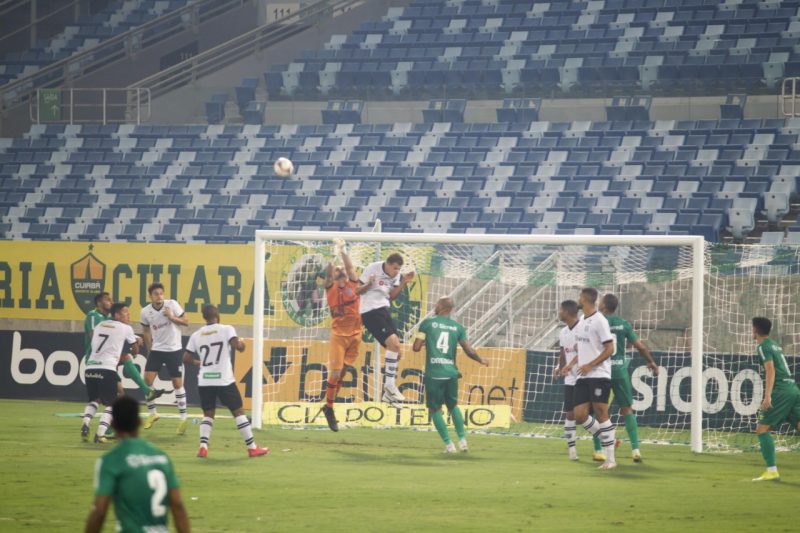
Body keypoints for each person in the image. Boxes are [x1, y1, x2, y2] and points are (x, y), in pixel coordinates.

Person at [85, 396, 190, 533]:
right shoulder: (162, 457)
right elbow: (178, 505)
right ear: (139, 422)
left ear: (113, 424)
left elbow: (99, 512)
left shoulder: (111, 460)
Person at [183, 304, 269, 458]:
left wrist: (198, 362)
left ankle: (203, 447)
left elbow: (186, 358)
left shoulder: (196, 335)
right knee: (238, 412)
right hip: (223, 380)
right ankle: (252, 448)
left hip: (205, 381)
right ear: (218, 315)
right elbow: (237, 346)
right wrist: (242, 345)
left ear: (204, 317)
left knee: (208, 414)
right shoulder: (226, 329)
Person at [81, 292, 162, 442]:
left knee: (103, 398)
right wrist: (134, 344)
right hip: (105, 365)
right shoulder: (95, 316)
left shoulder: (103, 323)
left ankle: (89, 425)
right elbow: (95, 338)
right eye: (107, 299)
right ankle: (101, 433)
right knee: (114, 401)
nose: (110, 301)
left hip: (92, 366)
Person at [413, 297, 488, 453]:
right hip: (451, 373)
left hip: (434, 373)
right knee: (453, 406)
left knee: (435, 410)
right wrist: (480, 359)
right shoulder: (458, 327)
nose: (435, 306)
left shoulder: (427, 324)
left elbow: (416, 347)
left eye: (436, 304)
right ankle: (463, 441)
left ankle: (449, 445)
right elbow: (468, 350)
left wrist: (428, 342)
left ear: (441, 306)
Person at [600, 293, 659, 463]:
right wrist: (651, 362)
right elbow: (640, 346)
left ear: (604, 306)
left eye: (600, 301)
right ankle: (635, 450)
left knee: (599, 410)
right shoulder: (623, 324)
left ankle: (600, 450)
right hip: (620, 372)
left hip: (602, 372)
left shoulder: (597, 322)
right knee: (627, 409)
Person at [564, 287, 617, 470]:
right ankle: (609, 439)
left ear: (585, 300)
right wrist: (572, 363)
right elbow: (582, 347)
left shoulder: (600, 321)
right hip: (583, 375)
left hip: (599, 374)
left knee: (602, 414)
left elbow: (610, 349)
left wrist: (591, 365)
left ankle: (611, 459)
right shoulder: (581, 321)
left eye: (580, 296)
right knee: (579, 415)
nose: (578, 299)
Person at [359, 252, 415, 403]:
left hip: (383, 309)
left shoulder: (396, 276)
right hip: (370, 310)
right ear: (388, 264)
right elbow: (358, 290)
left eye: (399, 269)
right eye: (395, 268)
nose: (397, 271)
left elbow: (392, 296)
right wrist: (369, 283)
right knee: (394, 345)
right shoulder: (372, 268)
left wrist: (403, 282)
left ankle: (388, 393)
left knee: (397, 352)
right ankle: (389, 387)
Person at [751, 316, 800, 482]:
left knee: (762, 429)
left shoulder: (763, 346)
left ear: (755, 329)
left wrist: (767, 396)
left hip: (781, 391)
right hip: (792, 388)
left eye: (752, 328)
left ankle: (771, 471)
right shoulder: (774, 345)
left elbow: (771, 371)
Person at [84, 303, 140, 444]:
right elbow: (135, 350)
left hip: (90, 367)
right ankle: (100, 434)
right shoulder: (126, 328)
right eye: (125, 312)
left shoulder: (100, 325)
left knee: (94, 400)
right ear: (116, 315)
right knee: (113, 404)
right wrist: (135, 347)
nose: (128, 315)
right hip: (107, 368)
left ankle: (85, 424)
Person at [320, 239, 361, 432]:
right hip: (338, 336)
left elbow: (350, 267)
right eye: (337, 269)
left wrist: (343, 250)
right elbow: (329, 273)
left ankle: (328, 405)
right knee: (335, 373)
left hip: (356, 335)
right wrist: (333, 256)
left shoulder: (353, 283)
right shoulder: (330, 286)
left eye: (341, 268)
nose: (340, 269)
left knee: (343, 373)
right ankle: (329, 409)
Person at [141, 282, 189, 434]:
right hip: (157, 350)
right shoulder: (145, 311)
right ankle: (153, 414)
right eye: (156, 294)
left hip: (174, 350)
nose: (159, 296)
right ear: (150, 296)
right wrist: (149, 349)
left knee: (177, 384)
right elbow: (146, 331)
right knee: (147, 381)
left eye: (161, 293)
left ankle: (183, 418)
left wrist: (171, 316)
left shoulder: (172, 305)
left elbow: (186, 322)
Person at [554, 300, 582, 460]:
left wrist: (570, 365)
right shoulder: (563, 332)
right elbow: (563, 352)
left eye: (560, 310)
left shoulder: (582, 328)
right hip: (570, 378)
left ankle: (605, 443)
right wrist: (559, 367)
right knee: (570, 414)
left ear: (566, 312)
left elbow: (584, 350)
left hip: (585, 376)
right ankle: (572, 450)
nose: (559, 312)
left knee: (584, 415)